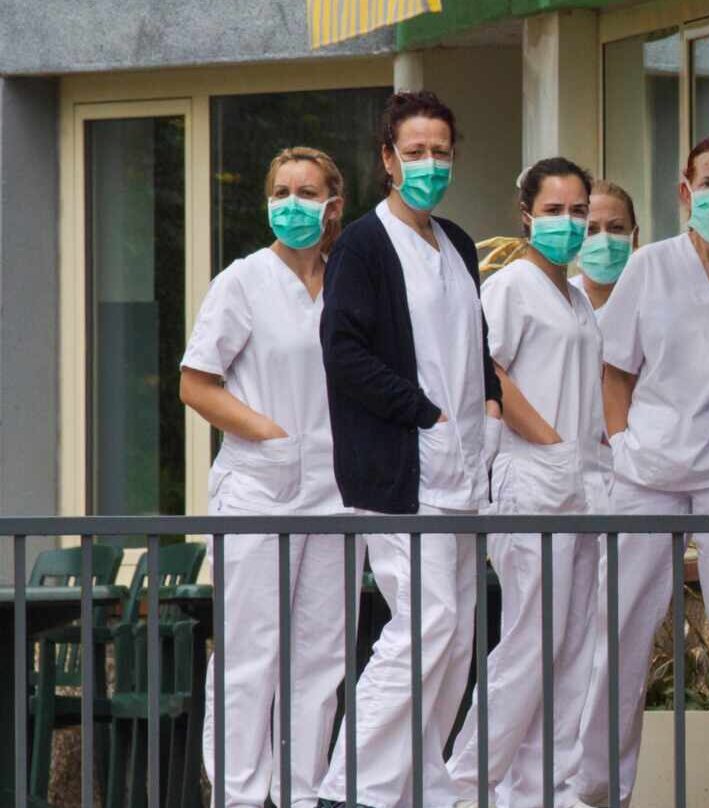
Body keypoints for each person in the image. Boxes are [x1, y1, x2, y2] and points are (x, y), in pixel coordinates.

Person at [315, 90, 502, 808]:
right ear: (388, 159)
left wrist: (485, 396)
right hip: (399, 471)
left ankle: (423, 783)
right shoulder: (364, 243)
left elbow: (472, 339)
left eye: (441, 151)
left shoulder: (455, 242)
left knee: (455, 641)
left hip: (460, 468)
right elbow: (344, 353)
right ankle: (348, 786)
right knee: (429, 624)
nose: (429, 164)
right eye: (414, 152)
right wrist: (421, 411)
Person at [569, 136, 709, 808]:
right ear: (684, 190)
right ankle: (597, 786)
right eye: (707, 182)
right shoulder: (649, 267)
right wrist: (621, 445)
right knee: (619, 626)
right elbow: (615, 370)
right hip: (646, 467)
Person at [183, 146, 350, 808]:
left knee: (321, 658)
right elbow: (196, 386)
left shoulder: (347, 282)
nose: (291, 203)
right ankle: (240, 797)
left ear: (333, 205)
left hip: (335, 490)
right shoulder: (242, 281)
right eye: (281, 190)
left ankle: (302, 795)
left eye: (307, 192)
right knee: (251, 654)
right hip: (258, 482)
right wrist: (272, 434)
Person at [447, 157, 606, 808]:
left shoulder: (574, 296)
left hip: (577, 484)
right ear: (526, 215)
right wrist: (550, 441)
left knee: (569, 646)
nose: (566, 224)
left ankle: (543, 790)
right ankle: (464, 786)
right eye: (553, 211)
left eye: (577, 213)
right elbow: (488, 372)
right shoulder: (509, 287)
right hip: (531, 477)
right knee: (529, 643)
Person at [573, 179, 640, 312]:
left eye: (616, 228)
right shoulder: (554, 301)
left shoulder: (655, 301)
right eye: (591, 229)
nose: (604, 241)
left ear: (635, 236)